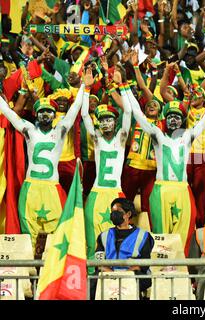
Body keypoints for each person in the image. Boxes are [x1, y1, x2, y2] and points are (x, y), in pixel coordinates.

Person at [121, 60, 205, 256]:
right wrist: (123, 86)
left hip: (182, 190)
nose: (174, 119)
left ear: (183, 120)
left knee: (184, 236)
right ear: (165, 119)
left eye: (178, 116)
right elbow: (136, 112)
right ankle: (158, 276)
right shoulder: (157, 136)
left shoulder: (187, 137)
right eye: (170, 116)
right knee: (160, 238)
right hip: (161, 190)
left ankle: (182, 275)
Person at [0, 81, 85, 248]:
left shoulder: (60, 130)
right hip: (31, 187)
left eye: (49, 111)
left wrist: (84, 87)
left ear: (54, 115)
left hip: (52, 188)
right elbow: (7, 112)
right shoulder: (29, 130)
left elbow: (75, 109)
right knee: (28, 232)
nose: (45, 114)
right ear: (36, 114)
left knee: (58, 231)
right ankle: (29, 272)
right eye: (41, 111)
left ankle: (54, 271)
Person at [81, 68, 131, 273]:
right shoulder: (96, 138)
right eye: (101, 120)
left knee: (118, 236)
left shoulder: (121, 138)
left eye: (109, 119)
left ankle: (116, 274)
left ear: (115, 121)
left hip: (115, 193)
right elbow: (84, 113)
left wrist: (120, 85)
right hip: (96, 193)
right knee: (92, 239)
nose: (105, 122)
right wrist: (86, 87)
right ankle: (92, 279)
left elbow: (128, 111)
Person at [93, 198, 154, 299]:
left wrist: (125, 275)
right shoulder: (103, 236)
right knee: (93, 280)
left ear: (128, 214)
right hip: (109, 273)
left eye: (118, 211)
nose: (114, 214)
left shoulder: (143, 236)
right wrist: (113, 274)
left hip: (133, 274)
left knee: (139, 278)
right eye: (112, 212)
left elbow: (143, 265)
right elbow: (99, 263)